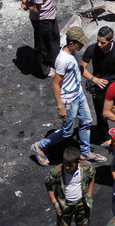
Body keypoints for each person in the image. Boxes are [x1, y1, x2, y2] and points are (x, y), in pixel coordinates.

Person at [31, 27, 106, 166]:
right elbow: (55, 85)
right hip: (69, 100)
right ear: (71, 43)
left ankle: (85, 151)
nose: (82, 46)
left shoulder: (72, 53)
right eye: (80, 43)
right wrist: (60, 107)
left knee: (86, 121)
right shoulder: (62, 60)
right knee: (67, 132)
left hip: (79, 94)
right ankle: (40, 146)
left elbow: (77, 71)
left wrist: (90, 81)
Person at [45, 146, 98, 226]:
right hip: (65, 205)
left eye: (70, 165)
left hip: (81, 203)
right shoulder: (58, 171)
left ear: (78, 162)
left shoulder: (86, 168)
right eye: (65, 164)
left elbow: (92, 177)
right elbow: (48, 183)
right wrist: (54, 201)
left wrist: (89, 194)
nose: (67, 167)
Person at [80, 26, 115, 147]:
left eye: (103, 42)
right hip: (99, 84)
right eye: (98, 41)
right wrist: (95, 79)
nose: (99, 44)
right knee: (101, 113)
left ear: (110, 41)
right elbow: (81, 69)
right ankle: (104, 138)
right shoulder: (92, 49)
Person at [23, 0, 60, 78]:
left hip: (51, 14)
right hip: (43, 19)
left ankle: (55, 60)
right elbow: (37, 9)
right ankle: (43, 69)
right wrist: (27, 5)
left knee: (54, 39)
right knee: (43, 45)